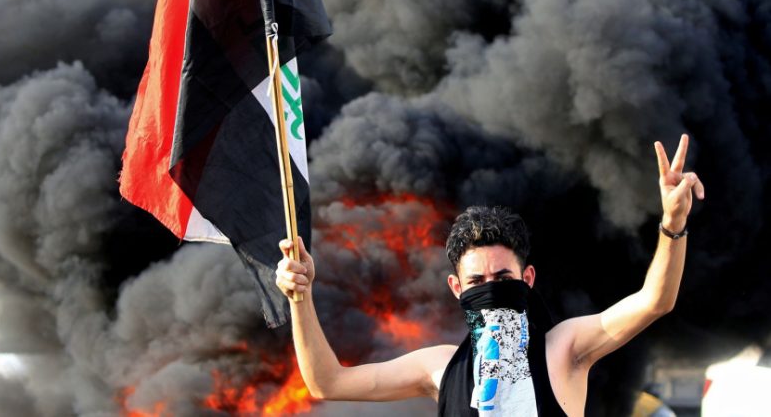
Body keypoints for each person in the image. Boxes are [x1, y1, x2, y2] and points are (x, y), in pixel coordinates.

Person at [275, 134, 705, 416]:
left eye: (502, 278)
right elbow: (326, 382)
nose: (491, 291)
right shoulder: (440, 368)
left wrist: (673, 224)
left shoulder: (565, 349)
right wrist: (300, 297)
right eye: (477, 283)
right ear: (456, 288)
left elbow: (655, 300)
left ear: (528, 279)